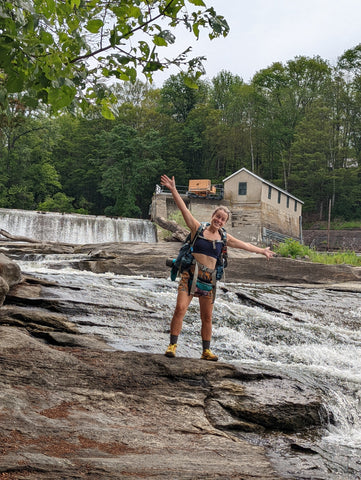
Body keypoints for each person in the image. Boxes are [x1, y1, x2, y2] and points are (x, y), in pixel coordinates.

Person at [160, 174, 275, 361]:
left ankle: (206, 351)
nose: (219, 221)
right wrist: (173, 190)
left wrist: (262, 251)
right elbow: (183, 210)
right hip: (190, 276)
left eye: (222, 219)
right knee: (180, 309)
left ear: (224, 223)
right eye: (217, 217)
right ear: (212, 216)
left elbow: (244, 245)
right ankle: (172, 345)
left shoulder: (224, 238)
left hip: (209, 281)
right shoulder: (197, 229)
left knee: (207, 318)